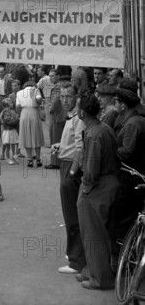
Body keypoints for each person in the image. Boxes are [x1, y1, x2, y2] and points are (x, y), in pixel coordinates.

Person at [76, 93, 119, 291]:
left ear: (82, 112)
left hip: (97, 187)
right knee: (100, 232)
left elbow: (91, 171)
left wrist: (85, 188)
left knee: (93, 233)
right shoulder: (105, 128)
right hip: (110, 182)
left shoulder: (93, 134)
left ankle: (100, 278)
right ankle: (93, 270)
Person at [52, 83, 86, 276]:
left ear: (76, 98)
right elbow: (73, 143)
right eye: (62, 96)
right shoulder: (71, 117)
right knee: (70, 215)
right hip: (65, 163)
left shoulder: (78, 119)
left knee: (72, 216)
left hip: (71, 168)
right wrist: (61, 145)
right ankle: (74, 254)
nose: (64, 100)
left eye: (68, 97)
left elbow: (81, 150)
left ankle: (76, 261)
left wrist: (72, 173)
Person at [109, 86, 145, 252]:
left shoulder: (132, 124)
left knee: (122, 222)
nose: (114, 105)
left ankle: (121, 262)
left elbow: (126, 152)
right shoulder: (135, 120)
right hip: (133, 178)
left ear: (123, 105)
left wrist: (108, 151)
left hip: (130, 179)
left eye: (117, 102)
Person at [16, 80, 44, 167]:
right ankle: (38, 159)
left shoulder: (19, 92)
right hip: (34, 112)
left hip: (24, 113)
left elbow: (17, 106)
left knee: (26, 136)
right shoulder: (35, 90)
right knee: (36, 135)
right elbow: (39, 99)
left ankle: (30, 159)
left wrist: (19, 113)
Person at [0, 98, 19, 164]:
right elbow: (6, 121)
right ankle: (8, 158)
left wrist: (16, 119)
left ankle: (13, 156)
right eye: (11, 103)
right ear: (7, 104)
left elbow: (15, 118)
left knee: (13, 144)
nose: (12, 104)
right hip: (7, 130)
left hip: (12, 130)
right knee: (8, 145)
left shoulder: (12, 111)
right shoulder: (5, 112)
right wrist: (14, 120)